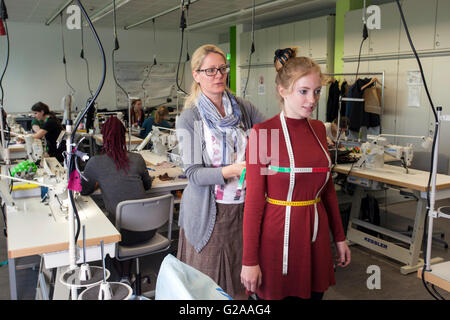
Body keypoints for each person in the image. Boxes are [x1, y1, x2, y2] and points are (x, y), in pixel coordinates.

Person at [240, 48, 351, 300]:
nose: (312, 100)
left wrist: (340, 237)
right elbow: (254, 203)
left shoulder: (319, 130)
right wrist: (249, 260)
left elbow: (328, 191)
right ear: (283, 91)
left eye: (317, 91)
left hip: (316, 235)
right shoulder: (263, 134)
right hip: (278, 238)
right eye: (303, 91)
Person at [175, 44, 265, 299]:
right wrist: (231, 170)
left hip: (243, 208)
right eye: (210, 70)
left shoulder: (242, 108)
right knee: (209, 288)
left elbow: (271, 131)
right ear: (196, 74)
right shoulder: (189, 118)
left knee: (241, 283)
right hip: (210, 215)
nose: (218, 75)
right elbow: (193, 174)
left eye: (222, 69)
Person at [81, 115, 154, 284]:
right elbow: (147, 185)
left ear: (103, 138)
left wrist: (99, 181)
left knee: (111, 225)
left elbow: (84, 190)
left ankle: (124, 276)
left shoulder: (95, 163)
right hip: (149, 228)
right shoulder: (137, 158)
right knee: (122, 223)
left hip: (123, 235)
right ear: (124, 136)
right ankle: (126, 276)